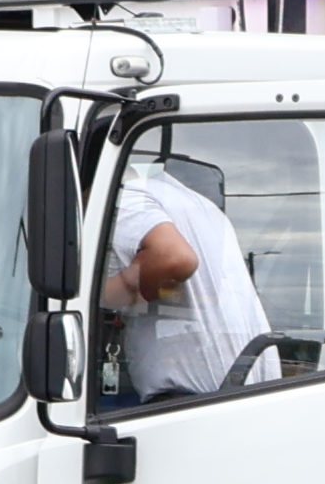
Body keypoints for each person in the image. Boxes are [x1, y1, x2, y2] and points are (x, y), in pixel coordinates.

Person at [97, 154, 277, 403]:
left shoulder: (123, 198)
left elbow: (174, 259)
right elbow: (204, 296)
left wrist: (100, 297)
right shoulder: (202, 207)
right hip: (248, 391)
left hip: (189, 402)